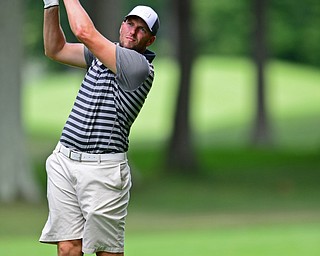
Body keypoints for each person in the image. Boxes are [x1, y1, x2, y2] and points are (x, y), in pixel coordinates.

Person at [39, 1, 160, 255]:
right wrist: (51, 5)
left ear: (149, 41)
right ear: (121, 24)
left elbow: (84, 32)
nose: (132, 31)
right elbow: (55, 49)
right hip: (65, 160)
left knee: (107, 251)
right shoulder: (102, 54)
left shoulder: (138, 68)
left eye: (141, 29)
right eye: (130, 23)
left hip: (103, 170)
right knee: (68, 249)